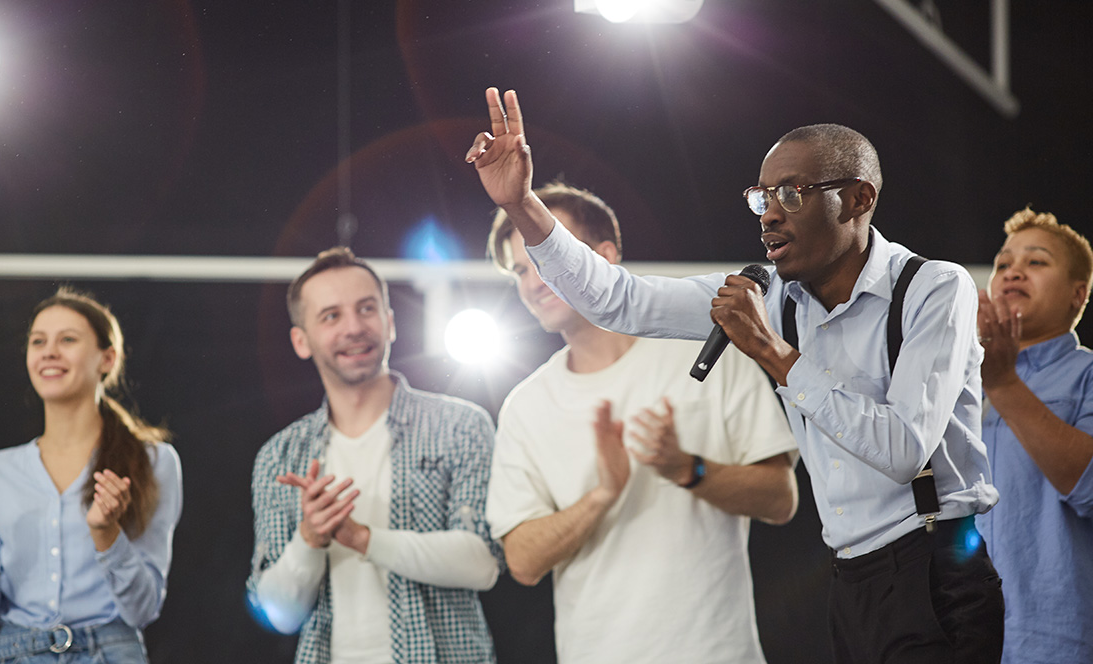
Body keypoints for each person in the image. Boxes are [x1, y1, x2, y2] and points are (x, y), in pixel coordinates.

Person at [467, 88, 1003, 663]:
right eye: (762, 197)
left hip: (936, 562)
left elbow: (902, 448)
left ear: (857, 199)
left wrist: (774, 354)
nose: (770, 214)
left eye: (792, 194)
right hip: (851, 576)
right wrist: (523, 205)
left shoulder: (934, 288)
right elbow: (618, 300)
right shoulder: (773, 296)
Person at [485, 182, 799, 663]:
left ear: (604, 256)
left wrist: (686, 469)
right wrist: (602, 496)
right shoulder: (525, 404)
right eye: (520, 270)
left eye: (544, 257)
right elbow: (522, 561)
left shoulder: (708, 352)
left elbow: (780, 499)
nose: (532, 281)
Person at [248, 246, 500, 664]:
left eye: (366, 309)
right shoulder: (281, 456)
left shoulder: (460, 426)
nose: (354, 327)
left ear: (390, 322)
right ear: (301, 340)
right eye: (331, 316)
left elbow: (483, 563)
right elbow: (279, 615)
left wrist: (361, 538)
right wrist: (309, 540)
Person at [0, 289, 182, 663]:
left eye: (67, 340)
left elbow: (143, 610)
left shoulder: (153, 461)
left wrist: (106, 534)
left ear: (108, 358)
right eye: (38, 341)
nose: (49, 352)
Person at [976, 207, 1093, 664]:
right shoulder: (959, 387)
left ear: (1077, 294)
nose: (1014, 271)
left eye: (1037, 261)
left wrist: (1004, 384)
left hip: (1057, 640)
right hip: (963, 640)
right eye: (1003, 264)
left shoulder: (1085, 376)